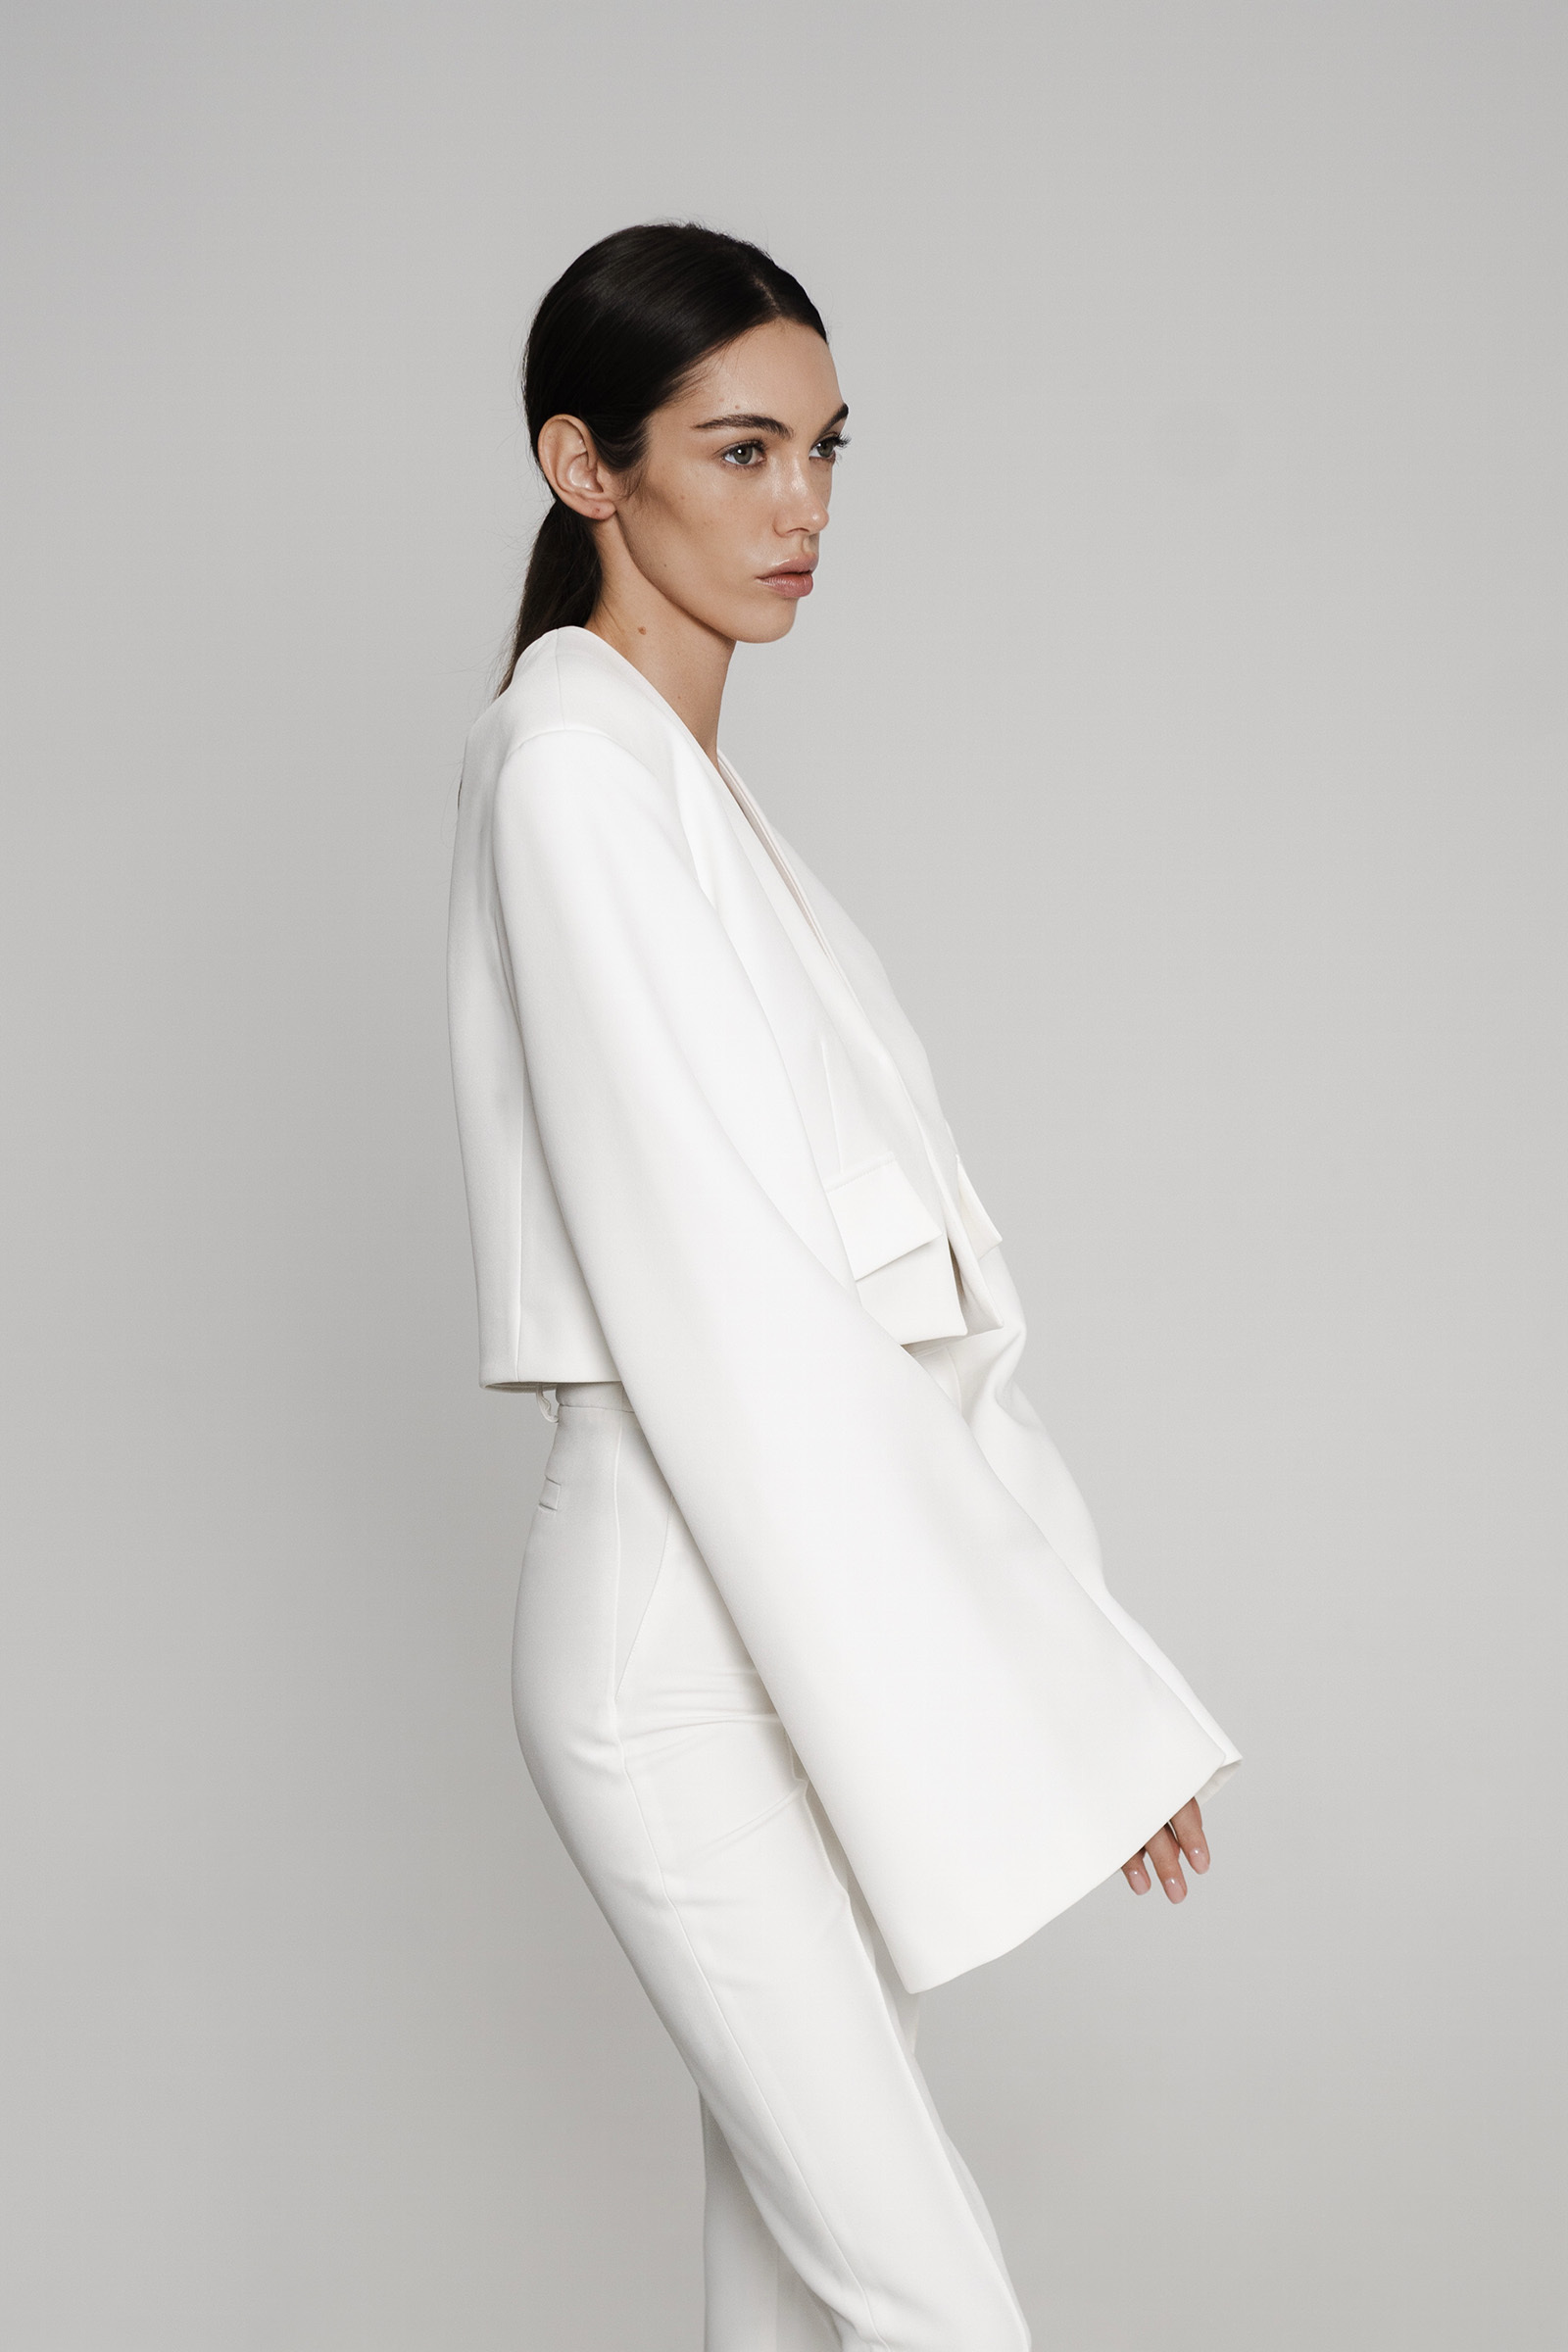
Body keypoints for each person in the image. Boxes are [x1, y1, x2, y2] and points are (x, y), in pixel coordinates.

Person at [446, 221, 1241, 2352]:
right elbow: (735, 1305)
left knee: (798, 2292)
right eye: (739, 450)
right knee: (925, 2301)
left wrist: (1086, 1670)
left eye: (824, 448)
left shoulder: (690, 799)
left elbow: (917, 1313)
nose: (799, 504)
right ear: (585, 467)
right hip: (679, 1635)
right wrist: (1049, 1686)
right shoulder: (572, 774)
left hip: (775, 1610)